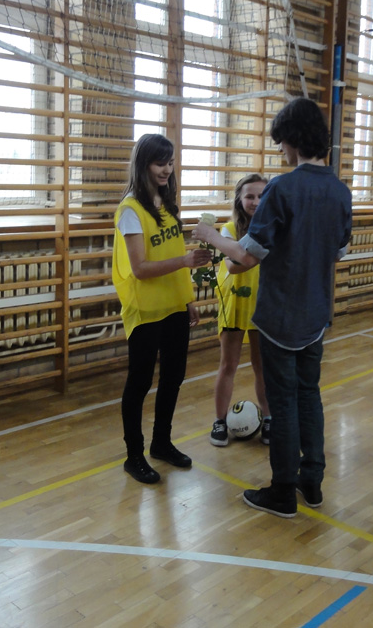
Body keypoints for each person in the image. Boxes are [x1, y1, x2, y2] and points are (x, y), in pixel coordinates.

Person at [194, 97, 352, 518]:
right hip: (316, 315)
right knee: (309, 396)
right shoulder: (340, 191)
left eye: (281, 141)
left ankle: (282, 490)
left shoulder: (282, 188)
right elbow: (337, 252)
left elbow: (246, 256)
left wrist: (211, 236)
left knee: (283, 403)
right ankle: (311, 482)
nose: (281, 150)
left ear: (293, 139)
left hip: (281, 316)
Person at [112, 133, 211, 485]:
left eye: (170, 162)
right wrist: (185, 261)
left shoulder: (167, 204)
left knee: (173, 377)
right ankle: (134, 455)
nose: (167, 169)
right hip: (145, 310)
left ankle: (161, 443)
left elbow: (174, 255)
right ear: (143, 165)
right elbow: (140, 268)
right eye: (159, 163)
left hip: (173, 307)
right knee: (139, 383)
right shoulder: (131, 210)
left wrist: (188, 300)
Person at [210, 173, 272, 447]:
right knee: (228, 364)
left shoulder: (272, 228)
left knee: (262, 367)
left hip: (263, 303)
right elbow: (234, 263)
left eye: (261, 196)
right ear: (239, 199)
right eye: (249, 196)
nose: (255, 201)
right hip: (234, 302)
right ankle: (219, 421)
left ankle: (268, 418)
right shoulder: (228, 230)